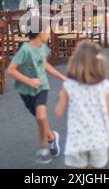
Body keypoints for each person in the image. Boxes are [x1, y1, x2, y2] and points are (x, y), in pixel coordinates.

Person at [55, 40, 109, 169]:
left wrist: (61, 97)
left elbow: (59, 113)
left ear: (75, 62)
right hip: (98, 140)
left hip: (77, 140)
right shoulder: (103, 86)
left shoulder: (69, 86)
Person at [7, 16, 68, 164]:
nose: (49, 34)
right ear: (40, 33)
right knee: (40, 119)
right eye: (47, 31)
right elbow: (11, 70)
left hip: (42, 87)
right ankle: (52, 137)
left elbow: (44, 65)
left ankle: (43, 147)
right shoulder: (25, 50)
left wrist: (62, 77)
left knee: (41, 117)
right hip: (26, 91)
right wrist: (29, 81)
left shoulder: (42, 48)